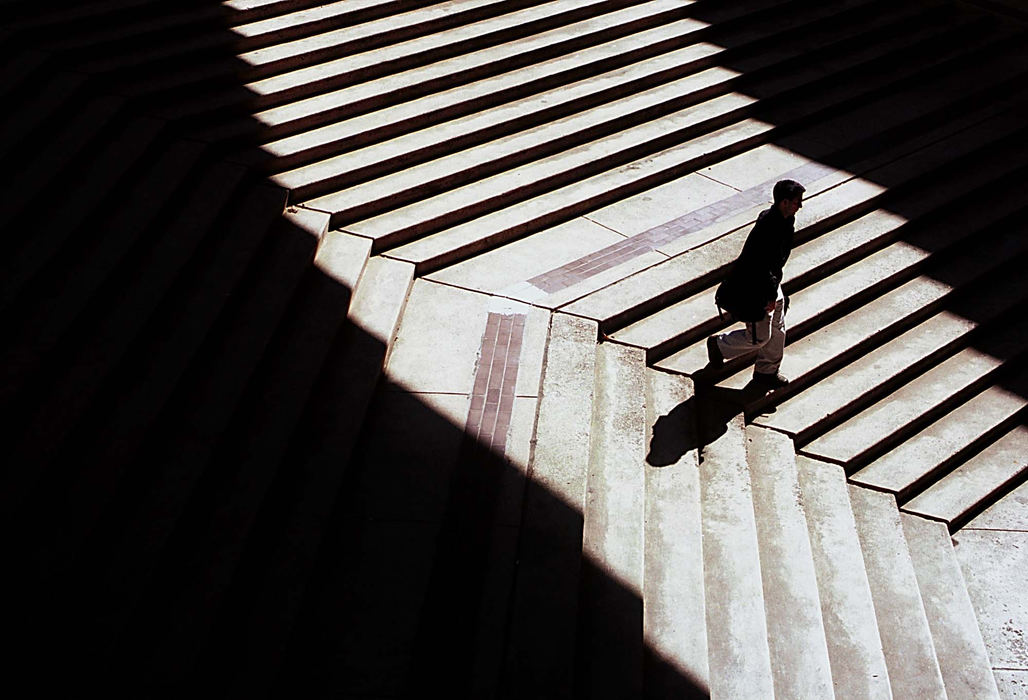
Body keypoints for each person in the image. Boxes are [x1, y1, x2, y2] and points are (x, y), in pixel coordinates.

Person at [706, 179, 805, 388]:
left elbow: (775, 263)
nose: (800, 206)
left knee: (778, 329)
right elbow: (760, 265)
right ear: (784, 202)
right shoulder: (769, 226)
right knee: (759, 338)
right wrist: (770, 295)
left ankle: (766, 372)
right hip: (755, 287)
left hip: (771, 283)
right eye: (797, 202)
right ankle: (719, 346)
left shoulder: (786, 222)